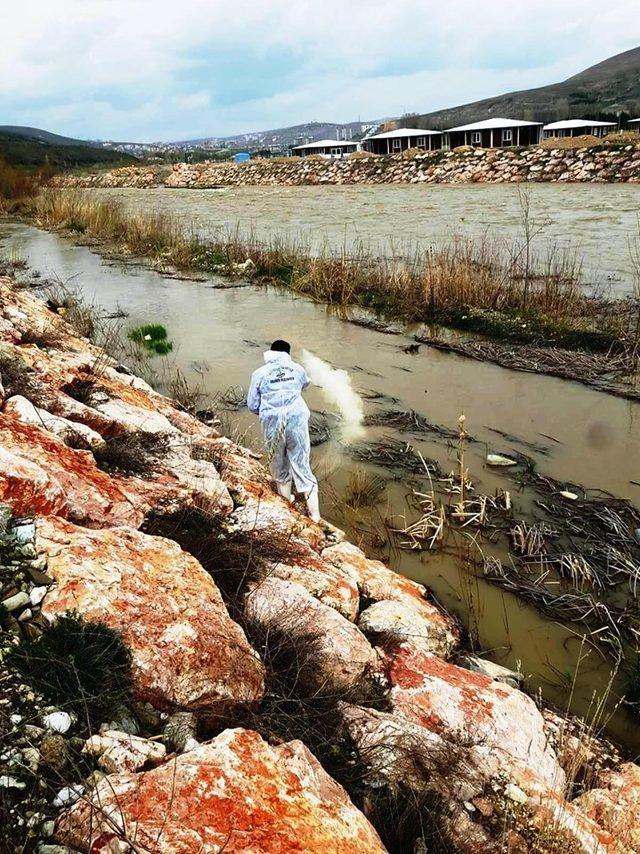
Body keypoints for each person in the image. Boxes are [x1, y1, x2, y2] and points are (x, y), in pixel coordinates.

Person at [247, 340, 320, 522]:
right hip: (297, 421)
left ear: (270, 352)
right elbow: (304, 385)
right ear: (288, 353)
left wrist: (269, 412)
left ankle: (287, 506)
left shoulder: (259, 373)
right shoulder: (297, 369)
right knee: (302, 466)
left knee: (279, 467)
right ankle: (316, 516)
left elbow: (252, 405)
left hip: (272, 424)